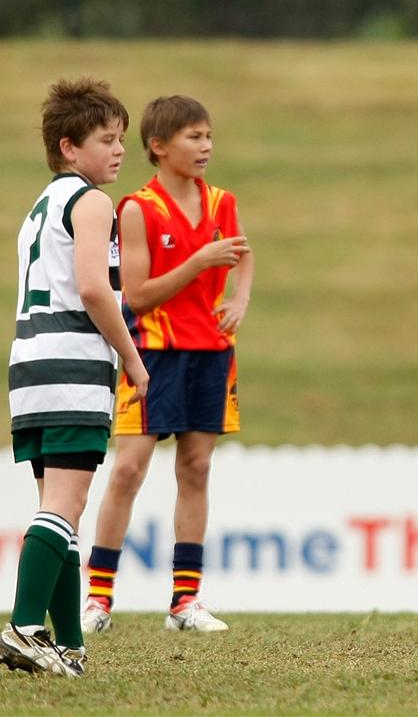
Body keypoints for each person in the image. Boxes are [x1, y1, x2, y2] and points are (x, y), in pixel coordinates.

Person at [80, 95, 253, 635]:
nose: (205, 147)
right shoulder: (138, 210)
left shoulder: (222, 201)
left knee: (196, 469)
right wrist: (199, 262)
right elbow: (136, 295)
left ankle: (186, 601)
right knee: (129, 469)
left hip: (212, 352)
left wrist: (240, 299)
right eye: (194, 137)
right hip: (152, 353)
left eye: (208, 137)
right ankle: (99, 597)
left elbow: (243, 254)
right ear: (159, 147)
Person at [3, 78, 150, 677]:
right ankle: (25, 625)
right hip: (71, 366)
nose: (118, 150)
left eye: (120, 139)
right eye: (105, 139)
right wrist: (133, 358)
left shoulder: (40, 207)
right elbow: (93, 287)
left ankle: (68, 646)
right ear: (69, 147)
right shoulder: (90, 202)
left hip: (32, 367)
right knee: (65, 505)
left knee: (62, 508)